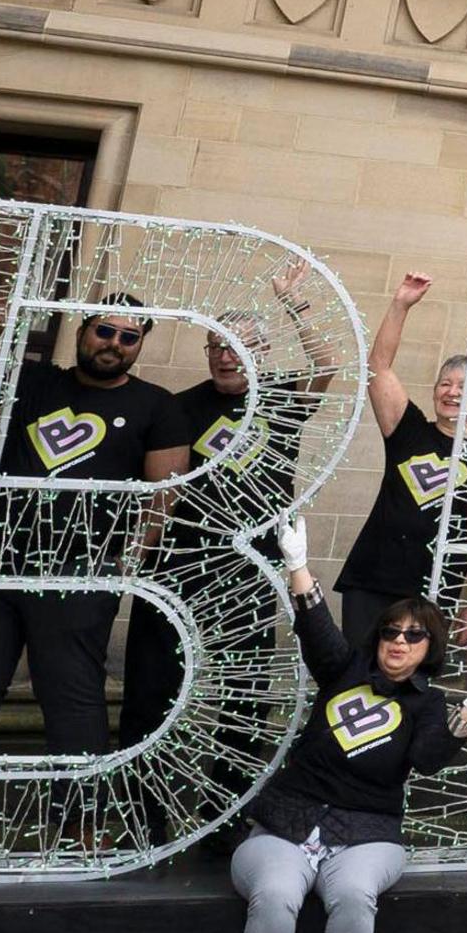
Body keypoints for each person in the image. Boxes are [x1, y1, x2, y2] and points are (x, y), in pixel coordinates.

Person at [227, 516, 467, 933]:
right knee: (277, 894)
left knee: (355, 899)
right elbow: (316, 627)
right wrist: (298, 563)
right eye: (391, 631)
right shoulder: (344, 670)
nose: (398, 643)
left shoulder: (428, 706)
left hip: (367, 833)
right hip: (288, 822)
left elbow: (432, 757)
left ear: (429, 647)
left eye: (413, 636)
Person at [0, 300, 192, 756]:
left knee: (72, 700)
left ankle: (79, 822)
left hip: (81, 571)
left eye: (128, 337)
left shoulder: (156, 405)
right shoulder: (33, 381)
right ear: (82, 329)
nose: (113, 344)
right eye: (104, 331)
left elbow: (164, 496)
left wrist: (128, 561)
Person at [124, 289, 329, 750]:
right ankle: (147, 806)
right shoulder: (177, 407)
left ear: (262, 351)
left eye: (238, 346)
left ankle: (227, 815)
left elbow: (328, 366)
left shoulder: (280, 399)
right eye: (216, 346)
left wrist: (297, 305)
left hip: (250, 568)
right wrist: (140, 548)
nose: (225, 356)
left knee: (245, 693)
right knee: (152, 686)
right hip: (178, 562)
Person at [337, 272, 467, 651]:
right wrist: (400, 305)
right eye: (445, 383)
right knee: (356, 676)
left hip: (433, 591)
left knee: (410, 687)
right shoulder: (407, 428)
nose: (452, 392)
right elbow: (378, 368)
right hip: (372, 579)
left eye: (465, 387)